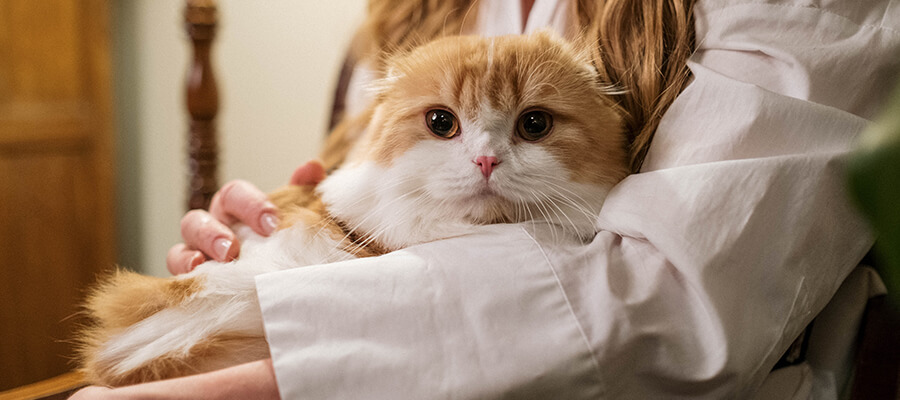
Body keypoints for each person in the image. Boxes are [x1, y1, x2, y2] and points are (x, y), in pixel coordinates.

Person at [72, 0, 900, 398]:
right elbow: (358, 184)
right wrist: (258, 223)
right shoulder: (411, 16)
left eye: (536, 122)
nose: (483, 156)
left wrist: (235, 381)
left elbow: (678, 305)